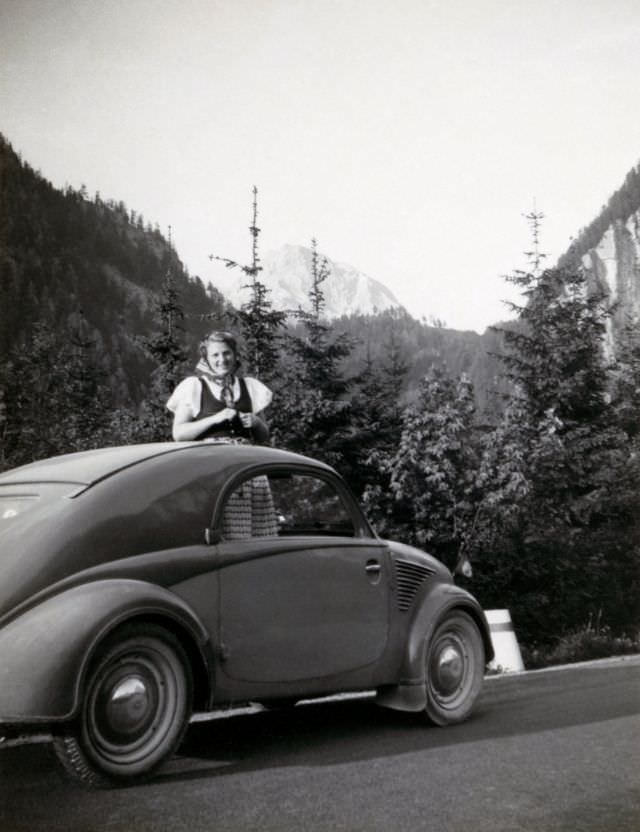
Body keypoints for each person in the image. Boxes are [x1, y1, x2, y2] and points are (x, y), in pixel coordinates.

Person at [166, 330, 272, 444]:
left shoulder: (249, 386)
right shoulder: (194, 387)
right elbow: (178, 434)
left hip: (245, 458)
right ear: (206, 359)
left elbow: (264, 437)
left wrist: (257, 423)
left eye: (227, 353)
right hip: (210, 458)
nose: (222, 360)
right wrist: (215, 419)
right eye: (215, 355)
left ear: (235, 354)